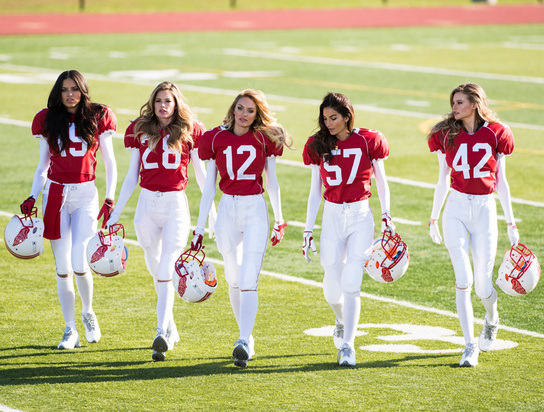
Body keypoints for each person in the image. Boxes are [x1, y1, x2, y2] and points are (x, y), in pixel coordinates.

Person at [106, 81, 213, 362]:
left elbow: (201, 175)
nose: (163, 106)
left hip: (175, 204)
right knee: (156, 268)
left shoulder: (190, 129)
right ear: (152, 104)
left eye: (168, 101)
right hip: (146, 205)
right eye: (158, 101)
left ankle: (160, 332)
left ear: (176, 103)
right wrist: (116, 212)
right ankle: (170, 324)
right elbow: (132, 175)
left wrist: (210, 210)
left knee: (166, 267)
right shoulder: (139, 129)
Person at [190, 89, 291, 368]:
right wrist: (199, 226)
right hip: (227, 210)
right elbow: (209, 187)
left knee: (248, 279)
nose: (244, 114)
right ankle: (244, 336)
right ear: (233, 109)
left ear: (257, 115)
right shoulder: (215, 138)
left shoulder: (263, 138)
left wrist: (279, 218)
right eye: (241, 108)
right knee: (233, 277)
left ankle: (244, 339)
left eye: (251, 111)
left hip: (254, 209)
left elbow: (272, 182)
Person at [20, 70, 118, 349]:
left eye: (75, 88)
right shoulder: (47, 119)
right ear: (58, 92)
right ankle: (69, 328)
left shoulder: (98, 115)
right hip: (56, 194)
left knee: (79, 261)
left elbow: (110, 163)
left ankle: (88, 312)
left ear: (83, 90)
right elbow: (43, 166)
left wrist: (109, 197)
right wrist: (32, 195)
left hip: (86, 195)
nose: (70, 94)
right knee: (62, 267)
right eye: (64, 89)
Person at [427, 82, 519, 367]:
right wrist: (433, 216)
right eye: (453, 102)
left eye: (459, 102)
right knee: (463, 280)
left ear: (475, 104)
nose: (453, 107)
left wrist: (510, 221)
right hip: (455, 207)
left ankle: (491, 318)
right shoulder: (445, 133)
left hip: (484, 208)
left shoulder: (496, 133)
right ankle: (468, 345)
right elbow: (443, 177)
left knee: (482, 285)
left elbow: (501, 182)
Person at [302, 92, 395, 367]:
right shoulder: (317, 144)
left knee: (352, 283)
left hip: (360, 215)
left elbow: (382, 182)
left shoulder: (369, 140)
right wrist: (308, 229)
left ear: (347, 117)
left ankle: (348, 346)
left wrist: (387, 215)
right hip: (331, 216)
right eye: (325, 118)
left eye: (334, 118)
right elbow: (313, 191)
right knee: (332, 291)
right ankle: (340, 319)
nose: (328, 123)